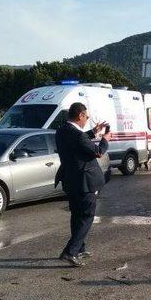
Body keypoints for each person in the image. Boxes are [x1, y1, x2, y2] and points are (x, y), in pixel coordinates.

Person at [55, 102, 110, 267]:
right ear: (80, 115)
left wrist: (93, 132)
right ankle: (70, 252)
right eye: (86, 117)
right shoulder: (78, 136)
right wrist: (105, 140)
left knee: (77, 215)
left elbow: (78, 140)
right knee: (86, 216)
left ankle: (79, 248)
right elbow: (98, 152)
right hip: (85, 183)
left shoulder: (62, 130)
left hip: (70, 180)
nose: (87, 119)